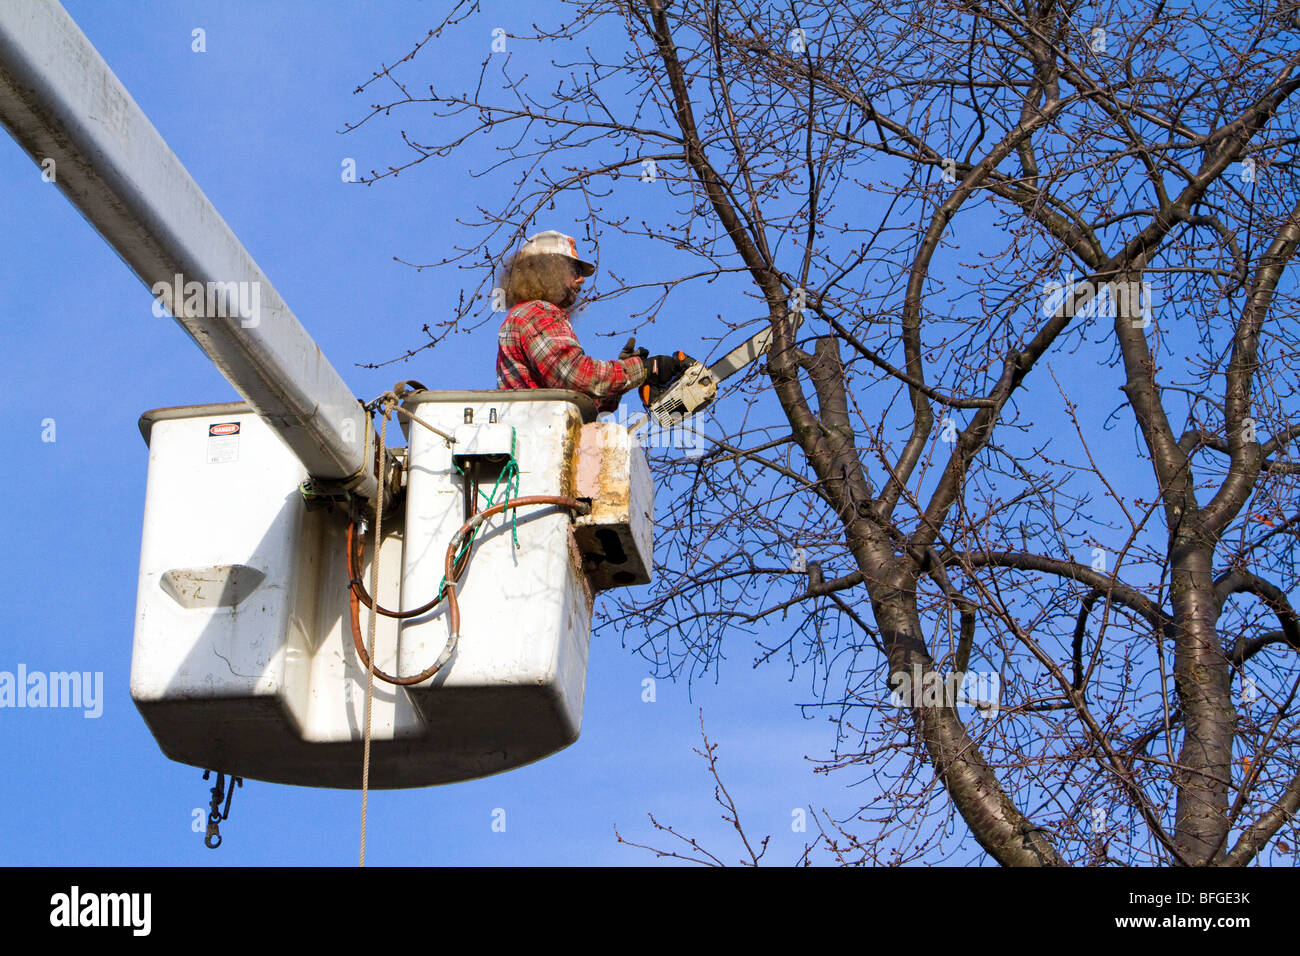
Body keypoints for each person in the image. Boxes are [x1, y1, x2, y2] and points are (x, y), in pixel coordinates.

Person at [496, 230, 683, 413]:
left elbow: (579, 395)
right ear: (547, 270)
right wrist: (644, 368)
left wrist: (625, 374)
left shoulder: (527, 315)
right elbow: (574, 375)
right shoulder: (536, 313)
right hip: (539, 433)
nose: (581, 280)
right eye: (574, 270)